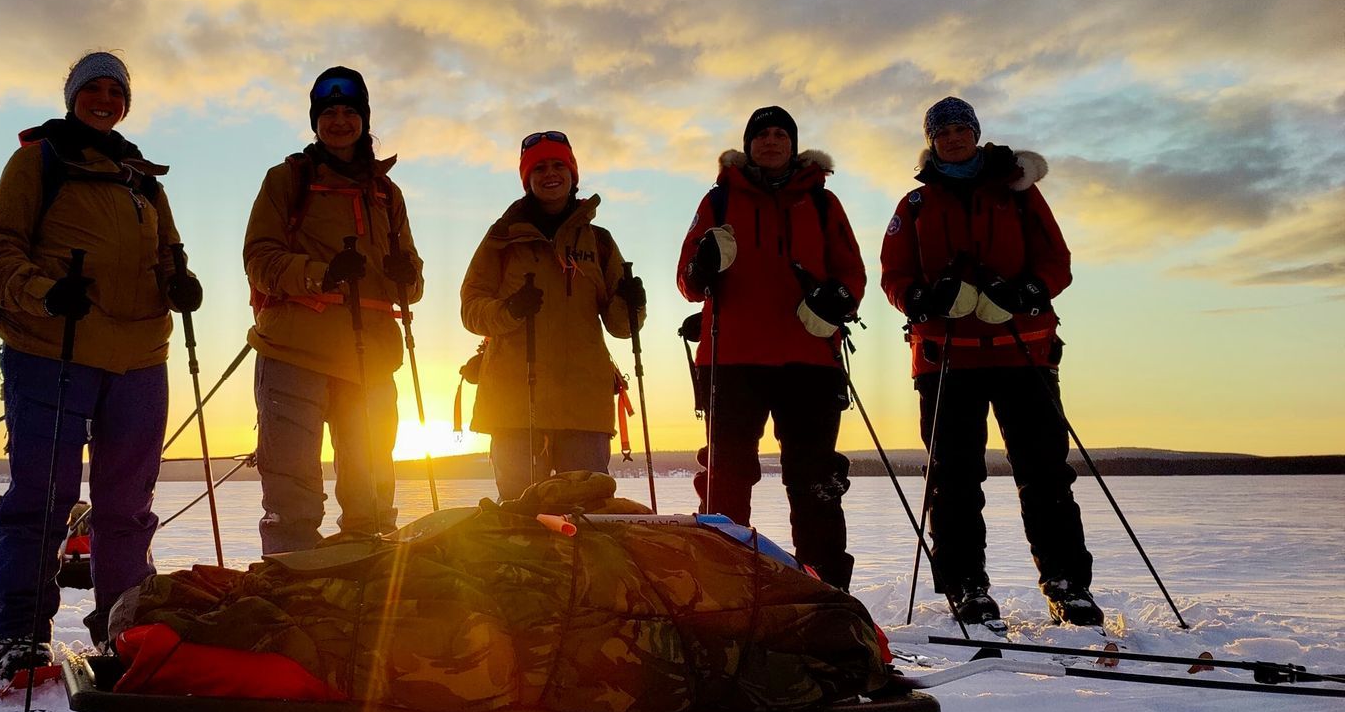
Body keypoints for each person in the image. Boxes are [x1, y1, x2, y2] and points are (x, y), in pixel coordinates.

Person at [0, 51, 192, 680]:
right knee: (44, 498)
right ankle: (17, 636)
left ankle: (123, 629)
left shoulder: (143, 177)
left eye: (114, 91)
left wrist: (181, 282)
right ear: (72, 96)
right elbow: (0, 246)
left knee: (126, 505)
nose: (104, 99)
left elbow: (169, 251)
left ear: (126, 102)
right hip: (52, 347)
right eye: (92, 89)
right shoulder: (37, 160)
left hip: (141, 358)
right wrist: (42, 291)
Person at [880, 95, 1099, 627]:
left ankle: (1067, 585)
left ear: (976, 133)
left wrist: (1027, 291)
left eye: (961, 127)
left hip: (1023, 353)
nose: (953, 137)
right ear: (930, 141)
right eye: (943, 131)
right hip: (945, 357)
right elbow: (894, 275)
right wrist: (922, 301)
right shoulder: (914, 206)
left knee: (1045, 475)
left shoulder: (1020, 192)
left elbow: (1057, 262)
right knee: (952, 480)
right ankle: (965, 587)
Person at [675, 106, 866, 589]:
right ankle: (724, 582)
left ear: (794, 145)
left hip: (810, 360)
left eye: (782, 133)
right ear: (750, 144)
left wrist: (837, 297)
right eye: (763, 134)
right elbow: (687, 281)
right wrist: (703, 267)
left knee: (814, 481)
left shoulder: (823, 203)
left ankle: (824, 587)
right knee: (726, 477)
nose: (772, 141)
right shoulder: (718, 201)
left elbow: (853, 274)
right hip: (733, 360)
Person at [243, 67, 423, 555]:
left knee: (372, 495)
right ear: (315, 122)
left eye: (349, 111)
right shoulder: (287, 181)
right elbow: (259, 258)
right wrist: (320, 273)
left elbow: (414, 280)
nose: (339, 121)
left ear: (364, 118)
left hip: (370, 358)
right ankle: (290, 592)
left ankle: (365, 597)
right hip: (294, 352)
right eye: (329, 113)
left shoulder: (387, 193)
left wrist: (406, 274)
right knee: (293, 491)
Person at [459, 131, 644, 497]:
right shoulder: (501, 239)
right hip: (514, 405)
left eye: (558, 165)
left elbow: (623, 328)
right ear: (527, 178)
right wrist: (509, 311)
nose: (550, 174)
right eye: (539, 167)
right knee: (519, 516)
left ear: (573, 174)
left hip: (583, 406)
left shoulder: (600, 242)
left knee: (585, 516)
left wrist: (631, 301)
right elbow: (471, 309)